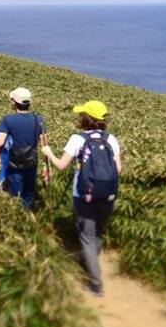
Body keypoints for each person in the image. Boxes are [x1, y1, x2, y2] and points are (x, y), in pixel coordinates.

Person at [41, 100, 122, 297]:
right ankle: (91, 258)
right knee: (96, 232)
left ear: (85, 118)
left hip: (83, 196)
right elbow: (118, 169)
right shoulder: (111, 139)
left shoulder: (77, 140)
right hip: (108, 195)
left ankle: (95, 284)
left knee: (87, 237)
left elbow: (61, 165)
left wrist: (48, 152)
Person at [0, 87, 44, 210]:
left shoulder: (8, 120)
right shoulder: (38, 119)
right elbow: (44, 143)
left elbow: (0, 142)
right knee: (28, 193)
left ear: (14, 102)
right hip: (31, 162)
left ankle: (17, 218)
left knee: (14, 195)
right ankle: (28, 216)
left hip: (15, 163)